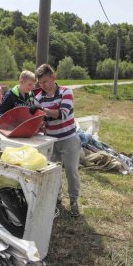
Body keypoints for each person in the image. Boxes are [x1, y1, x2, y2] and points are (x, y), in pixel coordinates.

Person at [31, 64, 82, 217]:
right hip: (51, 140)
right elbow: (42, 120)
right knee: (53, 172)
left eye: (45, 82)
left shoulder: (66, 92)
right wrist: (37, 121)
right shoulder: (39, 97)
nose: (42, 85)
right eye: (39, 83)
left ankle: (74, 201)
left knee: (72, 172)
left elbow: (62, 114)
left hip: (69, 138)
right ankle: (56, 198)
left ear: (53, 77)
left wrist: (42, 110)